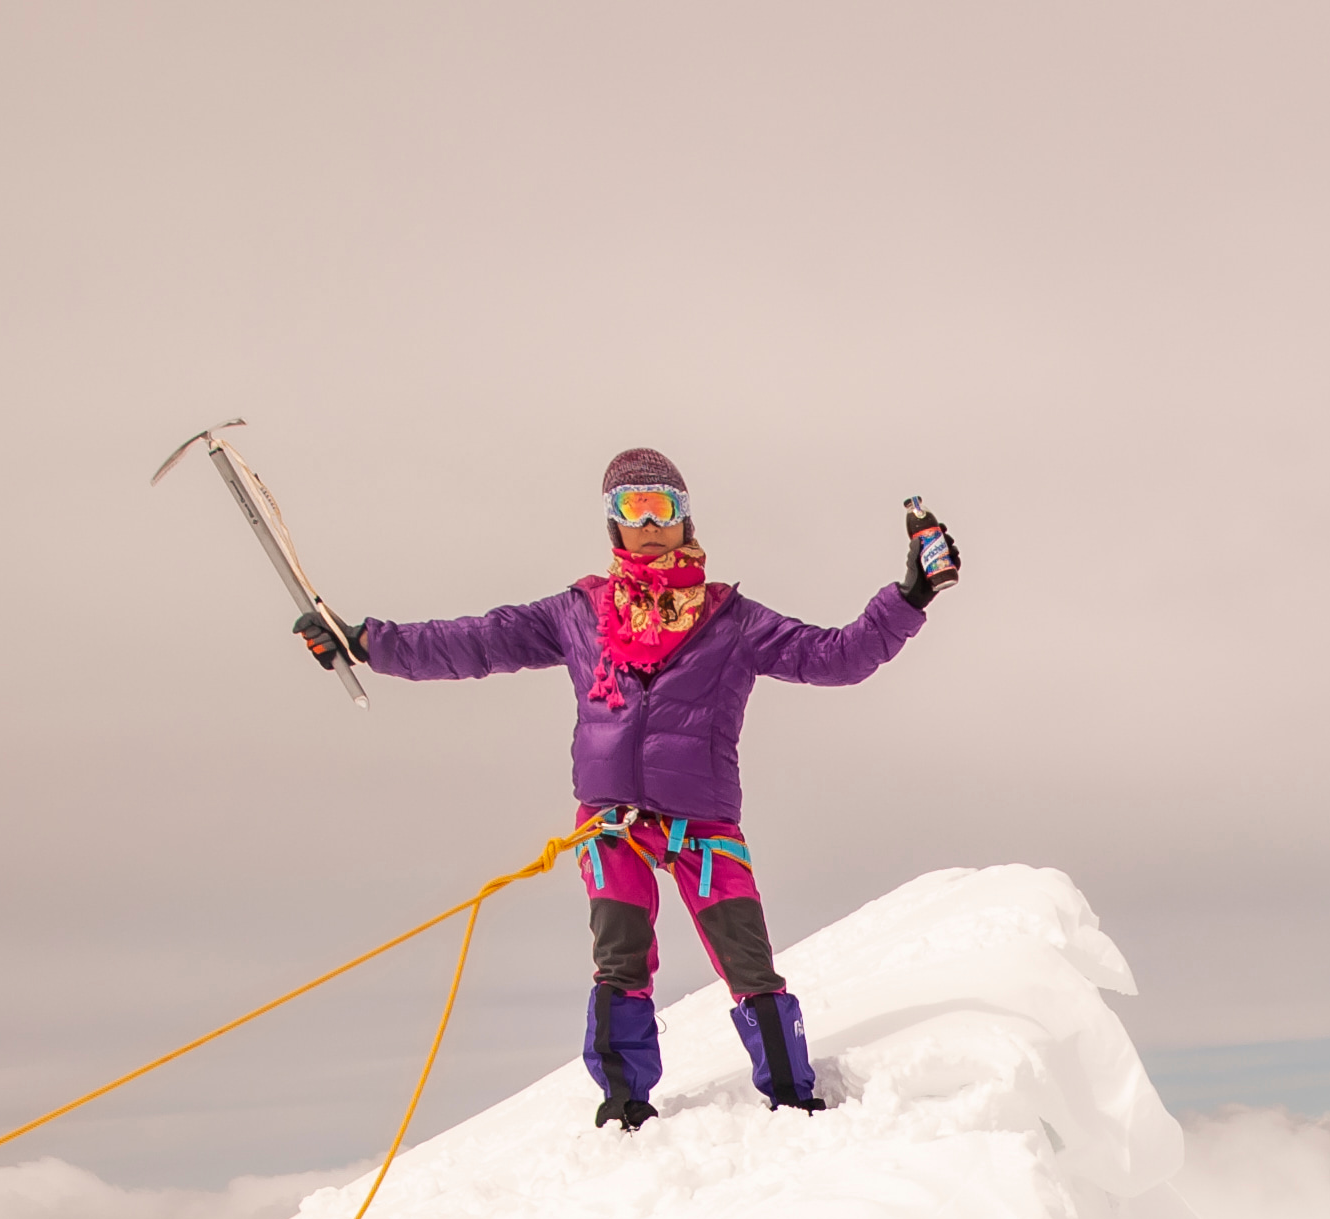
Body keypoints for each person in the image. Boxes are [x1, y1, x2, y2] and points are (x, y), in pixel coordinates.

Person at [310, 449, 960, 1126]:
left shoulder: (732, 621)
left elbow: (837, 657)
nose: (648, 522)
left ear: (685, 518)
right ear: (612, 525)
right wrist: (362, 642)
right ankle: (624, 1105)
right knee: (620, 958)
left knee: (749, 962)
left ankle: (793, 1098)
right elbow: (474, 642)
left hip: (702, 825)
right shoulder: (579, 614)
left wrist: (909, 597)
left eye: (662, 505)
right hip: (610, 822)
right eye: (630, 507)